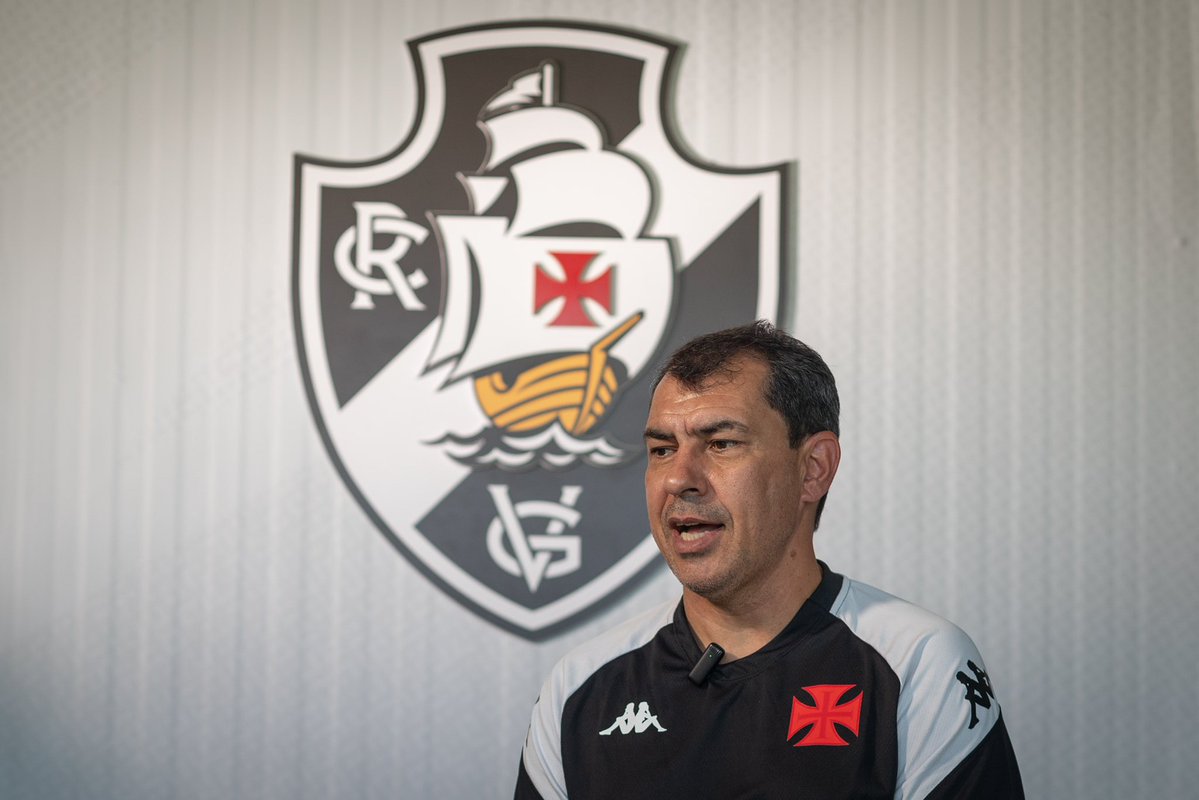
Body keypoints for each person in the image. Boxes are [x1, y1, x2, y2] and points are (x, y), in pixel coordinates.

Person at [514, 321, 1024, 799]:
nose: (678, 479)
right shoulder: (579, 687)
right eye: (663, 450)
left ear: (813, 469)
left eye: (721, 443)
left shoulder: (918, 664)